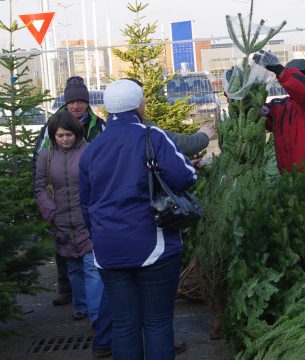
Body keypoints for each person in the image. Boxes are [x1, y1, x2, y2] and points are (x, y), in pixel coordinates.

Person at [79, 78, 197, 360]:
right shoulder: (152, 136)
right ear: (139, 104)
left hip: (107, 249)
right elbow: (185, 176)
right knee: (156, 323)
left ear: (108, 110)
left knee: (123, 324)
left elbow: (85, 203)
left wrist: (100, 235)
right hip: (153, 246)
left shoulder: (91, 149)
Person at [33, 111, 112, 358]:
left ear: (76, 133)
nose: (64, 139)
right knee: (73, 267)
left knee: (91, 266)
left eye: (68, 134)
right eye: (60, 135)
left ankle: (97, 316)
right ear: (54, 136)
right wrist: (49, 210)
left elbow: (101, 181)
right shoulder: (45, 157)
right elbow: (39, 186)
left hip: (86, 218)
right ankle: (81, 306)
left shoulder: (89, 151)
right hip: (60, 220)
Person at [33, 76, 106, 307]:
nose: (76, 106)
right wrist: (48, 207)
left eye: (80, 101)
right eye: (72, 101)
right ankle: (69, 293)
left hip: (85, 206)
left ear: (86, 102)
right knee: (66, 254)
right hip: (61, 206)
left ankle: (95, 306)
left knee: (90, 259)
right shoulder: (51, 127)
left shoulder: (98, 126)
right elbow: (40, 162)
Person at [252, 50, 305, 174]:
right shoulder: (279, 106)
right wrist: (238, 93)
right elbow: (255, 113)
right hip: (290, 181)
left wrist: (281, 71)